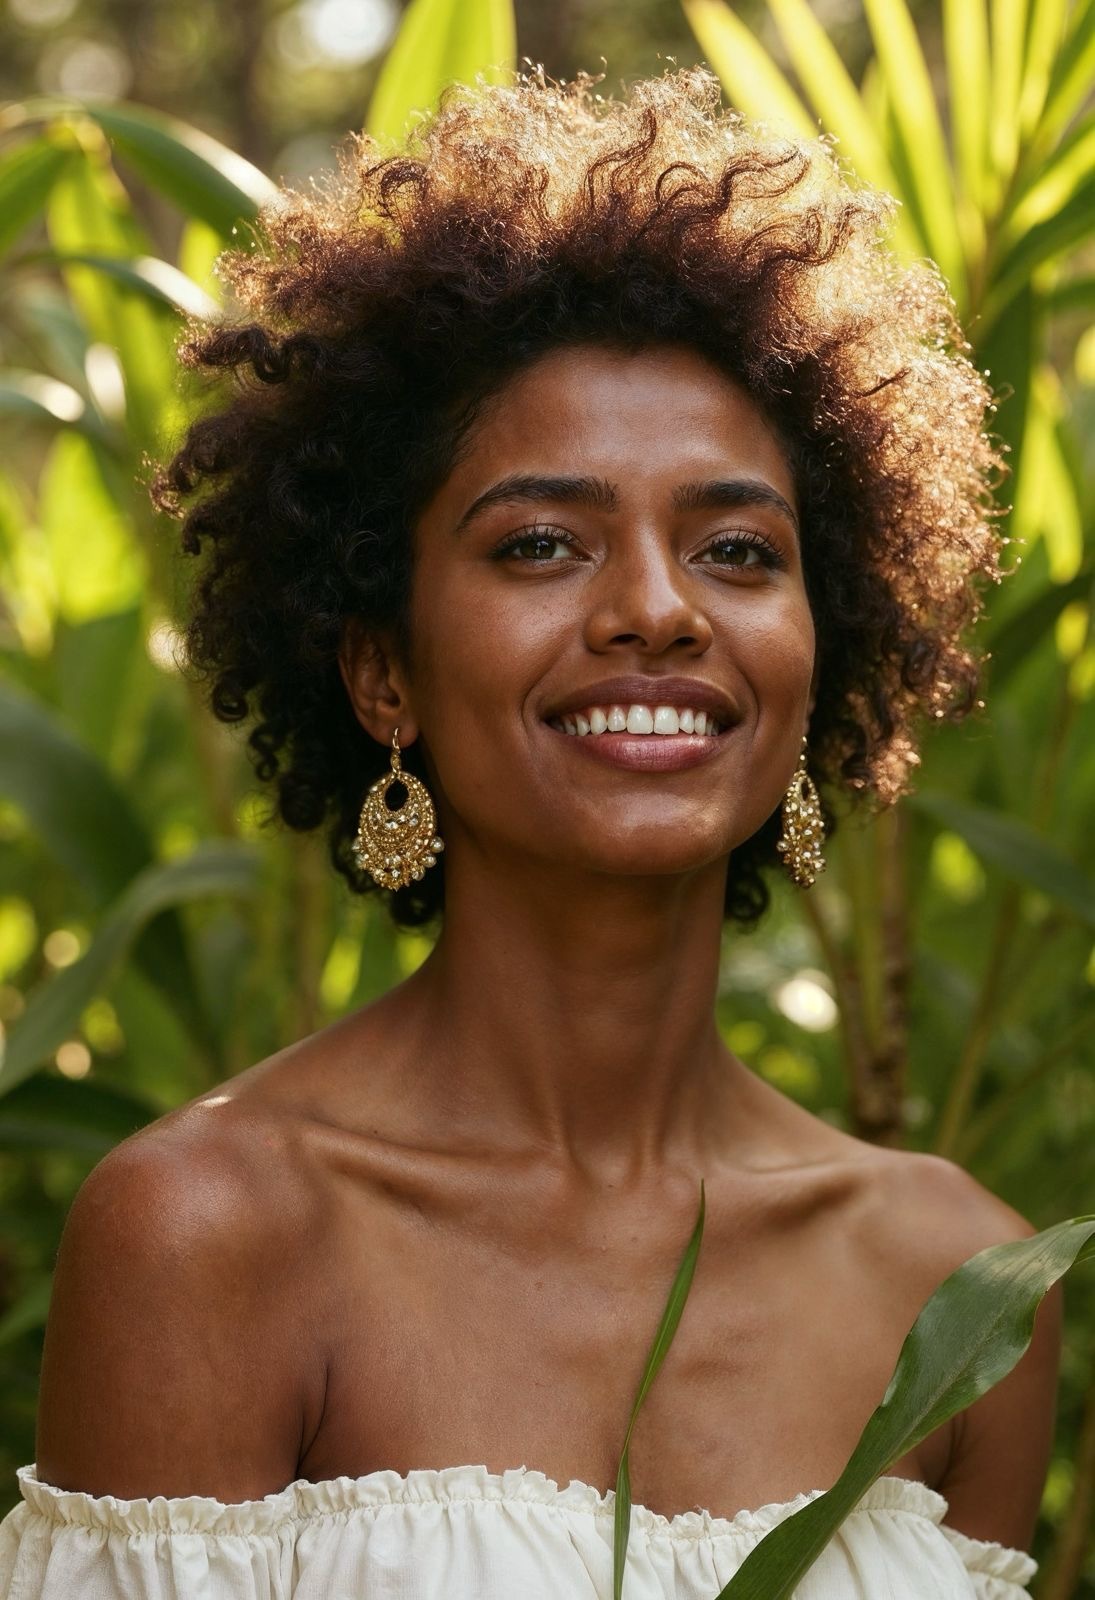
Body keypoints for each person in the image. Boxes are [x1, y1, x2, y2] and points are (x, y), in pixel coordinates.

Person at [0, 66, 1061, 1600]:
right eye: (544, 542)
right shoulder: (212, 1235)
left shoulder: (960, 1288)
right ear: (380, 667)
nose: (654, 609)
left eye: (738, 549)